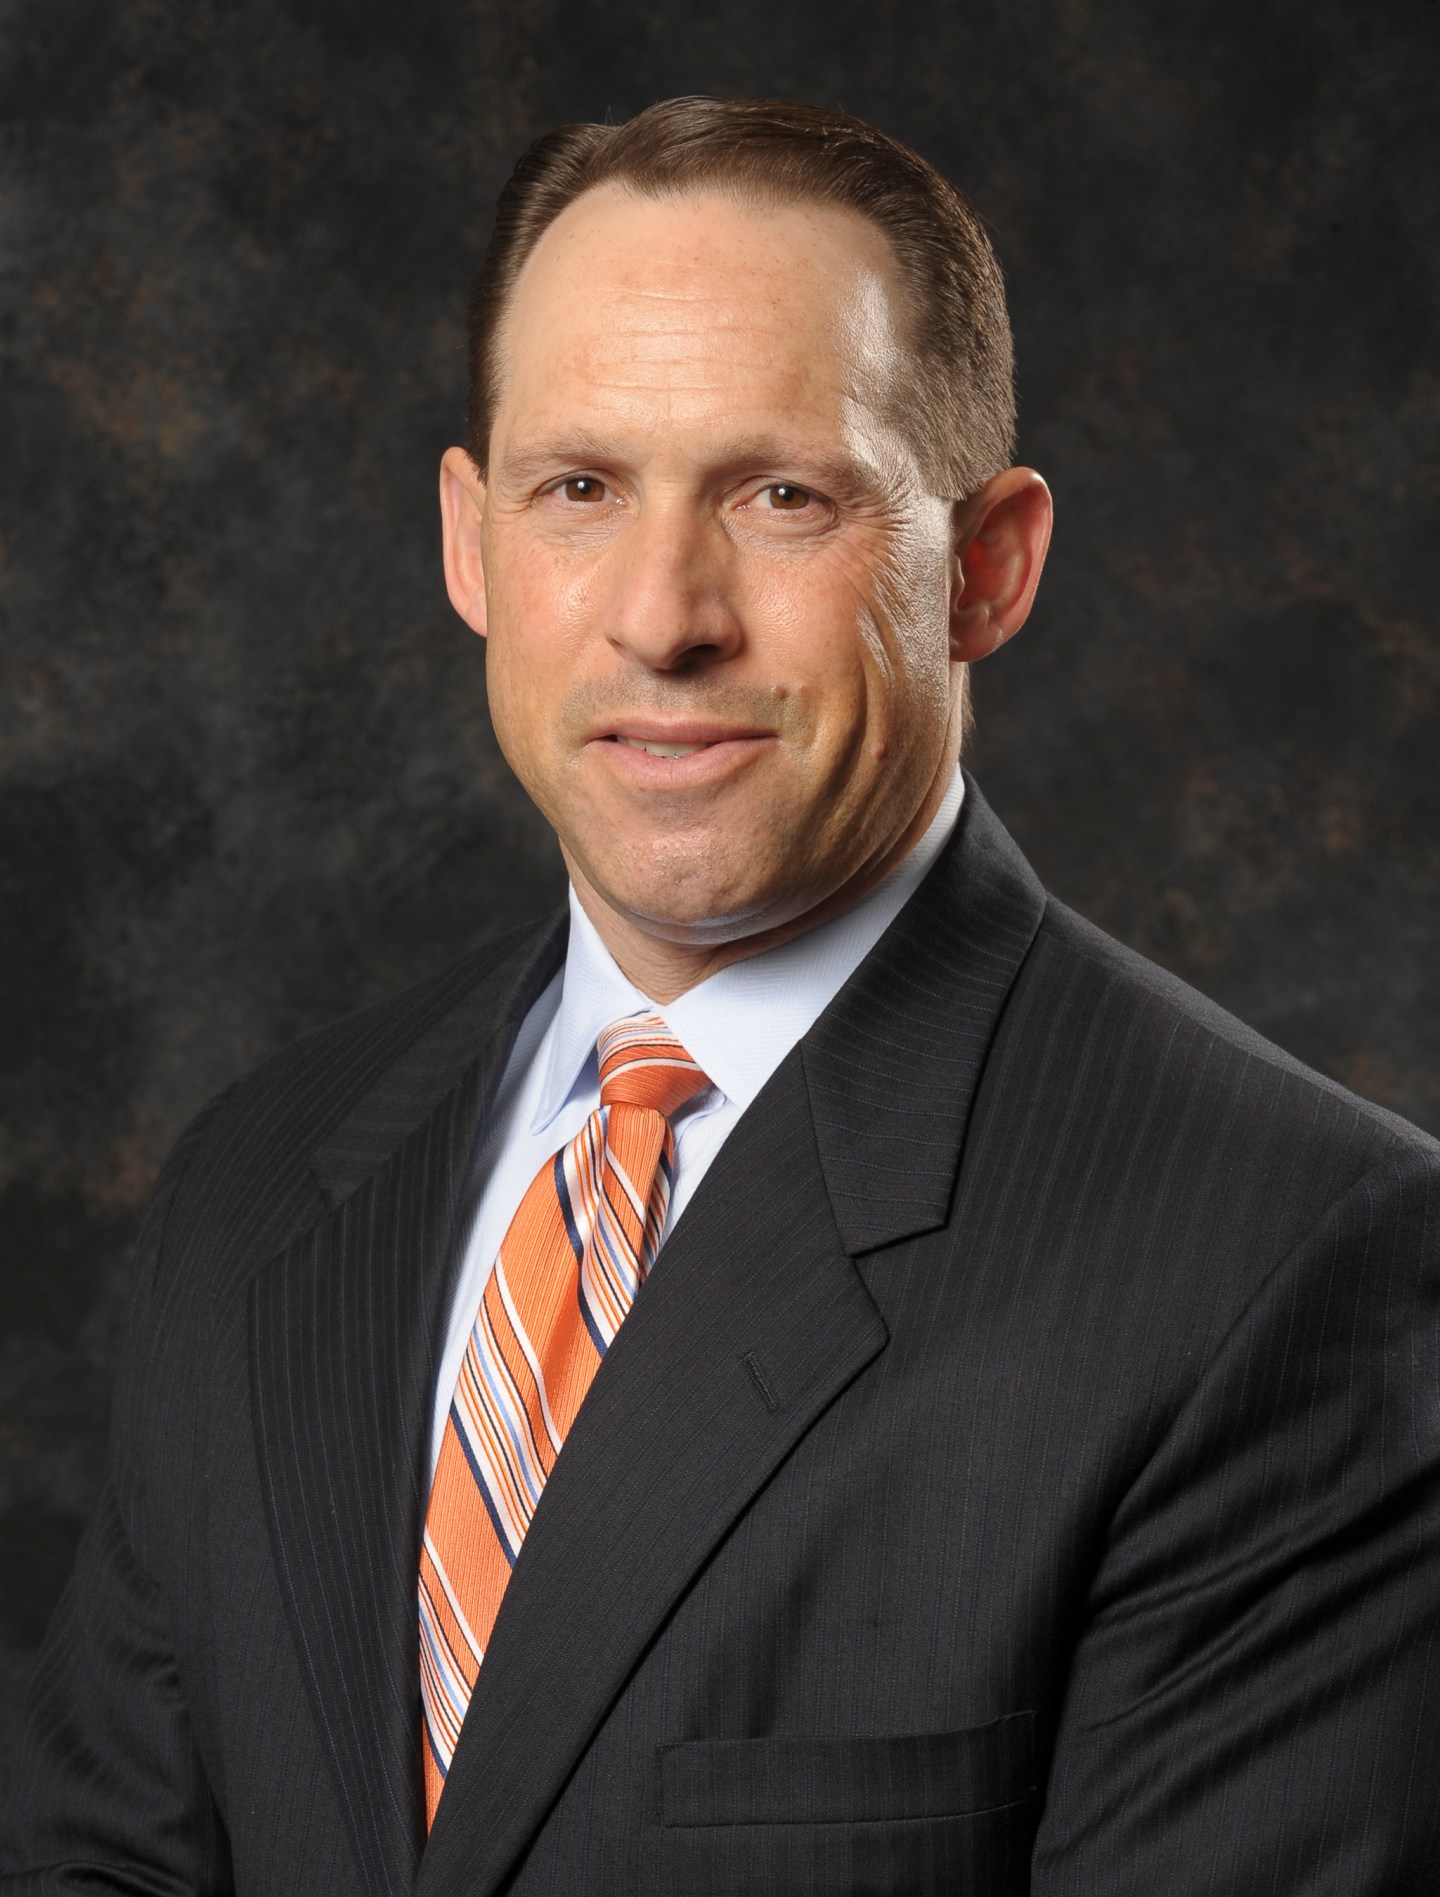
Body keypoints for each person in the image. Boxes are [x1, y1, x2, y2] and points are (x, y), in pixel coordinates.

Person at [3, 95, 1438, 1897]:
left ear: (985, 566)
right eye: (579, 489)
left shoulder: (1285, 1260)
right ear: (469, 541)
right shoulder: (257, 1184)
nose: (663, 615)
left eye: (781, 496)